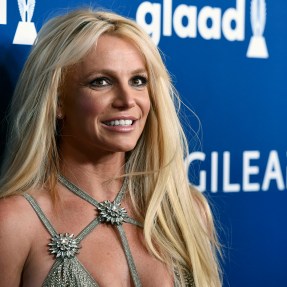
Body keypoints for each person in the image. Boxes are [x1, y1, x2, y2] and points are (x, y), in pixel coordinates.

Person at [0, 8, 221, 287]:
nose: (127, 100)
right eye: (101, 82)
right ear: (57, 101)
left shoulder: (186, 210)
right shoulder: (13, 223)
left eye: (138, 81)